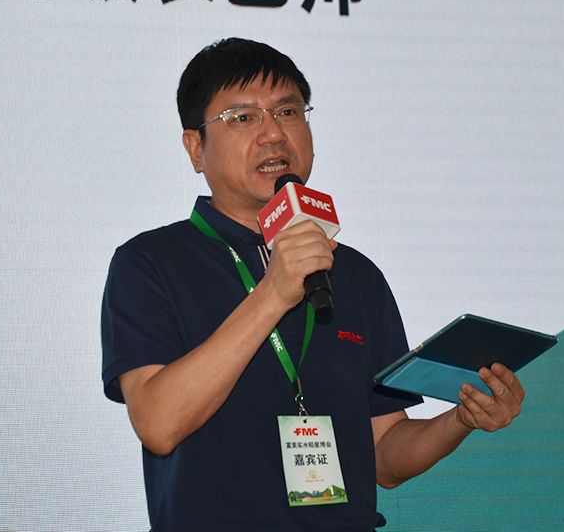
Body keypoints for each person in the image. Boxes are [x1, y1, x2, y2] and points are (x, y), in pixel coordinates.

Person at [101, 38, 525, 531]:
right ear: (196, 148)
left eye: (288, 112)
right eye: (243, 117)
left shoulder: (356, 274)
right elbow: (158, 423)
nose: (273, 134)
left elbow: (386, 456)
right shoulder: (150, 262)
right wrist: (272, 293)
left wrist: (461, 419)